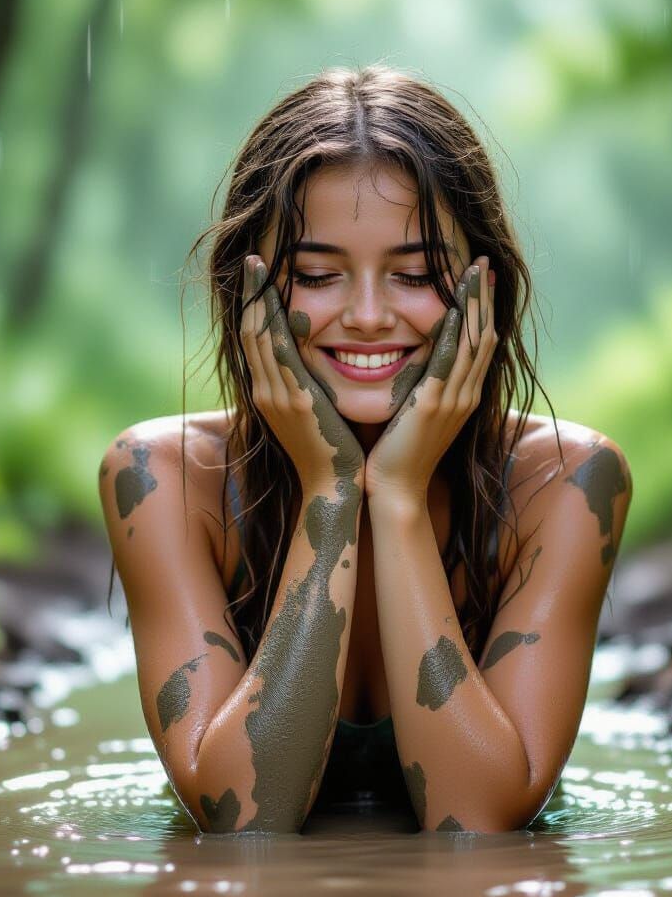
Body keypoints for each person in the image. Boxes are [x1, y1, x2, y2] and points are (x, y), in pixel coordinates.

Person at [98, 64, 632, 835]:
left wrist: (403, 498)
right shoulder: (162, 480)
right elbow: (245, 822)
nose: (370, 315)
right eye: (317, 275)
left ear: (486, 288)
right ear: (245, 292)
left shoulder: (569, 483)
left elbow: (479, 823)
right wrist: (331, 488)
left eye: (415, 273)